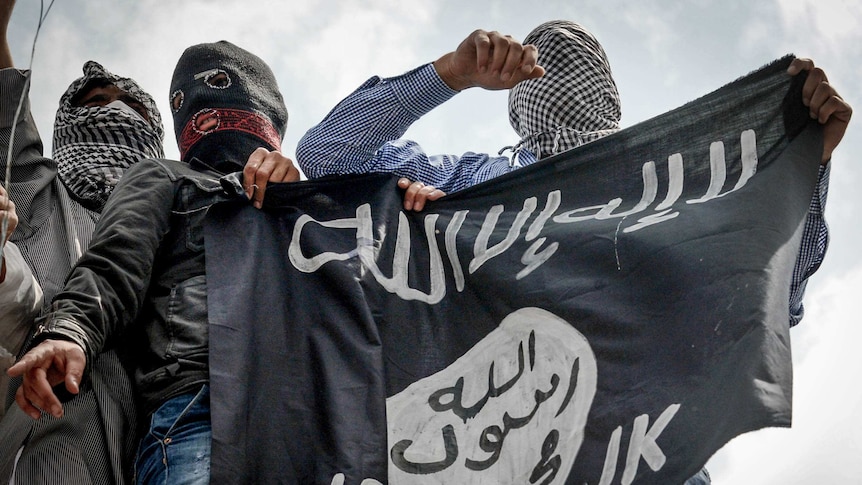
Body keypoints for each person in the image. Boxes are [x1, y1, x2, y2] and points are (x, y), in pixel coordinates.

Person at [295, 20, 851, 485]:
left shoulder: (670, 188)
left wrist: (805, 166)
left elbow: (769, 301)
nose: (564, 83)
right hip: (511, 452)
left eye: (579, 68)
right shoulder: (474, 187)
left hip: (649, 458)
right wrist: (450, 75)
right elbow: (327, 154)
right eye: (548, 68)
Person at [0, 1, 293, 482]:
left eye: (131, 105)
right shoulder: (45, 197)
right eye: (94, 103)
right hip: (65, 431)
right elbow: (6, 121)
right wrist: (68, 330)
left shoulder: (221, 200)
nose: (113, 110)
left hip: (242, 420)